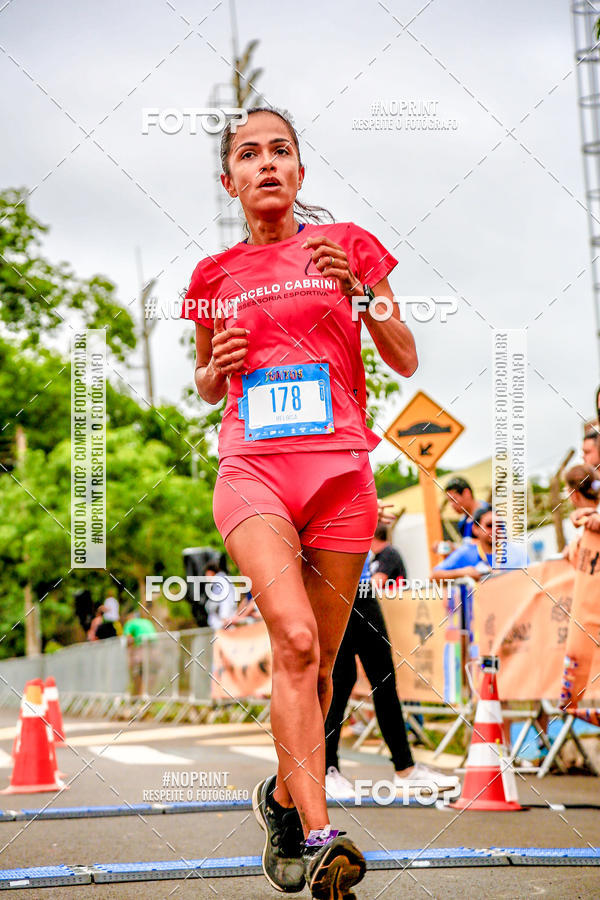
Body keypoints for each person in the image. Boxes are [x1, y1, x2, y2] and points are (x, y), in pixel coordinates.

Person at [181, 106, 417, 898]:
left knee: (316, 665)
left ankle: (282, 800)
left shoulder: (345, 245)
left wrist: (363, 293)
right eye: (249, 154)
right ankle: (321, 835)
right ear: (231, 182)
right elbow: (209, 382)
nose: (267, 164)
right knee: (291, 637)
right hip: (255, 470)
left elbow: (405, 356)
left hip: (342, 475)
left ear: (300, 171)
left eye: (281, 150)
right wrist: (218, 367)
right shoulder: (213, 277)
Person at [324, 525, 459, 801]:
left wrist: (372, 513)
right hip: (331, 586)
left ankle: (405, 769)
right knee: (341, 679)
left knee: (383, 678)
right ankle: (327, 768)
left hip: (361, 590)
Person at [431, 503, 529, 582]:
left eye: (499, 525)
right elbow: (433, 576)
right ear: (475, 529)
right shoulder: (466, 552)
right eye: (489, 525)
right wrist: (462, 573)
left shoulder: (518, 553)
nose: (495, 530)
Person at [443, 476, 486, 541]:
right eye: (449, 501)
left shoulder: (488, 515)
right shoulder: (463, 522)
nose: (451, 505)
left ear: (466, 493)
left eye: (454, 499)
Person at [203, 561, 239, 630]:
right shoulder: (221, 580)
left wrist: (224, 618)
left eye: (206, 574)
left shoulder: (219, 581)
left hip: (225, 621)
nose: (206, 577)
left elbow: (225, 600)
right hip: (225, 621)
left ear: (210, 572)